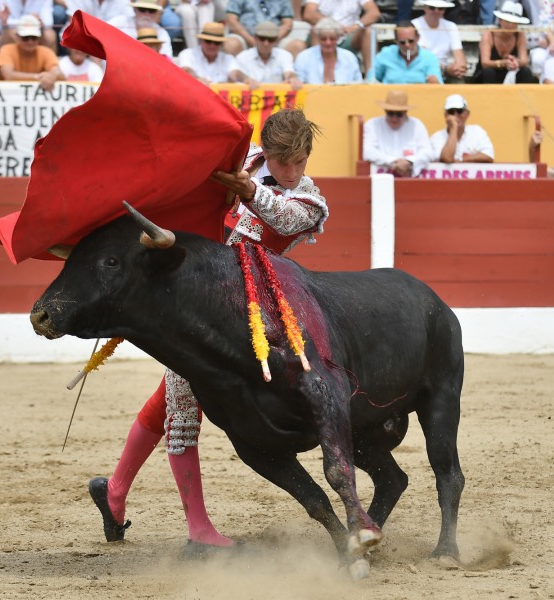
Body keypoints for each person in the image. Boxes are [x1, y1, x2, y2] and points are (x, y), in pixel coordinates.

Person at [88, 108, 329, 549]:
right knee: (180, 407)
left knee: (168, 401)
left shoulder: (309, 200)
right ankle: (197, 529)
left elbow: (285, 219)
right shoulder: (243, 164)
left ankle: (115, 492)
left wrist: (250, 189)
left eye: (299, 162)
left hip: (248, 318)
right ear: (268, 152)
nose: (292, 172)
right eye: (283, 161)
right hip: (198, 308)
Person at [362, 90, 432, 177]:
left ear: (406, 113)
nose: (394, 118)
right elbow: (368, 152)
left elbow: (427, 152)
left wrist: (409, 161)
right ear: (385, 111)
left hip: (410, 180)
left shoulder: (417, 125)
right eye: (390, 113)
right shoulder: (373, 124)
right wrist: (393, 161)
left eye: (399, 114)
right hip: (380, 181)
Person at [303, 0, 380, 73]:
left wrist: (355, 26)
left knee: (369, 31)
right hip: (324, 33)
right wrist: (334, 26)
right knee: (315, 29)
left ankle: (371, 76)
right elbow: (309, 14)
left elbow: (374, 13)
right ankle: (316, 74)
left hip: (350, 34)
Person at [473, 1, 536, 84]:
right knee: (489, 72)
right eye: (507, 21)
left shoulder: (520, 35)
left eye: (514, 23)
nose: (510, 25)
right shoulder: (489, 34)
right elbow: (485, 62)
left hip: (510, 73)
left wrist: (515, 62)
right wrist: (502, 63)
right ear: (500, 21)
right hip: (489, 75)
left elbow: (524, 60)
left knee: (525, 72)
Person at [0, 14, 63, 90]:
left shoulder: (46, 52)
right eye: (25, 38)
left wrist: (53, 75)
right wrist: (38, 77)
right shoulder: (7, 50)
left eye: (34, 37)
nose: (30, 42)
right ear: (17, 37)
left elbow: (57, 72)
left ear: (39, 38)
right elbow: (8, 75)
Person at [224, 0, 309, 58]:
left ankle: (288, 80)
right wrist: (250, 39)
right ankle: (235, 81)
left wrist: (273, 39)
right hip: (246, 36)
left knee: (298, 46)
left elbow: (288, 23)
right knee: (231, 44)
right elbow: (231, 19)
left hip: (274, 38)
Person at [412, 0, 468, 82]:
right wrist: (445, 68)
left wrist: (459, 68)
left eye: (440, 8)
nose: (436, 11)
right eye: (432, 8)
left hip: (445, 70)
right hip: (422, 69)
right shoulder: (414, 25)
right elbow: (420, 56)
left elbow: (458, 53)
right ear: (425, 8)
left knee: (459, 79)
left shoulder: (451, 26)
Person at [293, 17, 362, 83]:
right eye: (323, 39)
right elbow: (299, 83)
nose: (328, 43)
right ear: (318, 38)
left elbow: (358, 84)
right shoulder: (304, 57)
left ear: (338, 38)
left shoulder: (349, 57)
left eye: (332, 39)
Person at [429, 94, 495, 164]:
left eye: (459, 111)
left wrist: (461, 160)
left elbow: (488, 156)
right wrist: (454, 128)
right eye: (451, 112)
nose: (455, 115)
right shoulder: (436, 137)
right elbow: (447, 158)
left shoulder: (477, 131)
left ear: (467, 114)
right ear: (446, 115)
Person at [235, 19, 302, 87]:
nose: (266, 43)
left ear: (276, 40)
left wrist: (292, 78)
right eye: (262, 38)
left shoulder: (284, 55)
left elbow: (288, 72)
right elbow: (239, 75)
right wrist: (247, 80)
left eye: (270, 40)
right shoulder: (243, 57)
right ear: (255, 38)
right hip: (251, 95)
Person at [371, 21, 443, 83]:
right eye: (402, 42)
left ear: (418, 38)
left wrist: (434, 81)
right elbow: (371, 77)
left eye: (411, 41)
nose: (407, 45)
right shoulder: (386, 54)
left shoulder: (430, 58)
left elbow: (438, 84)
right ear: (396, 41)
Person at [108, 0, 174, 58]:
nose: (146, 14)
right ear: (134, 9)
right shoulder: (118, 22)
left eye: (151, 11)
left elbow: (166, 58)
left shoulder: (162, 33)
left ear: (157, 13)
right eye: (142, 9)